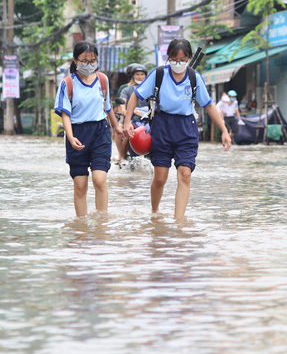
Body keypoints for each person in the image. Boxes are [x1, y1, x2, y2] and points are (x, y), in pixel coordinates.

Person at [125, 39, 231, 219]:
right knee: (160, 178)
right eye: (175, 58)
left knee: (185, 174)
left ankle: (179, 221)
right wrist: (127, 121)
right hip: (162, 127)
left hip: (186, 129)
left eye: (183, 59)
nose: (178, 63)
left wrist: (224, 130)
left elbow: (209, 105)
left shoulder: (194, 77)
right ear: (169, 58)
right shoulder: (158, 74)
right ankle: (155, 213)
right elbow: (136, 95)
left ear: (189, 58)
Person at [54, 41, 125, 217]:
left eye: (92, 60)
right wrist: (70, 137)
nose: (89, 64)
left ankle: (101, 224)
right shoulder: (67, 83)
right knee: (80, 185)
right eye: (84, 61)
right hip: (77, 133)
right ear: (75, 60)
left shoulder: (102, 80)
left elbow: (107, 106)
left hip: (100, 132)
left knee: (99, 180)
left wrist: (116, 127)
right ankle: (81, 227)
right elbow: (65, 114)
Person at [116, 63, 149, 164]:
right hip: (132, 119)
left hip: (147, 119)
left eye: (142, 74)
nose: (139, 76)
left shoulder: (150, 89)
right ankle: (121, 156)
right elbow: (122, 103)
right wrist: (124, 111)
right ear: (133, 76)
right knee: (127, 134)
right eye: (137, 74)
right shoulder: (126, 90)